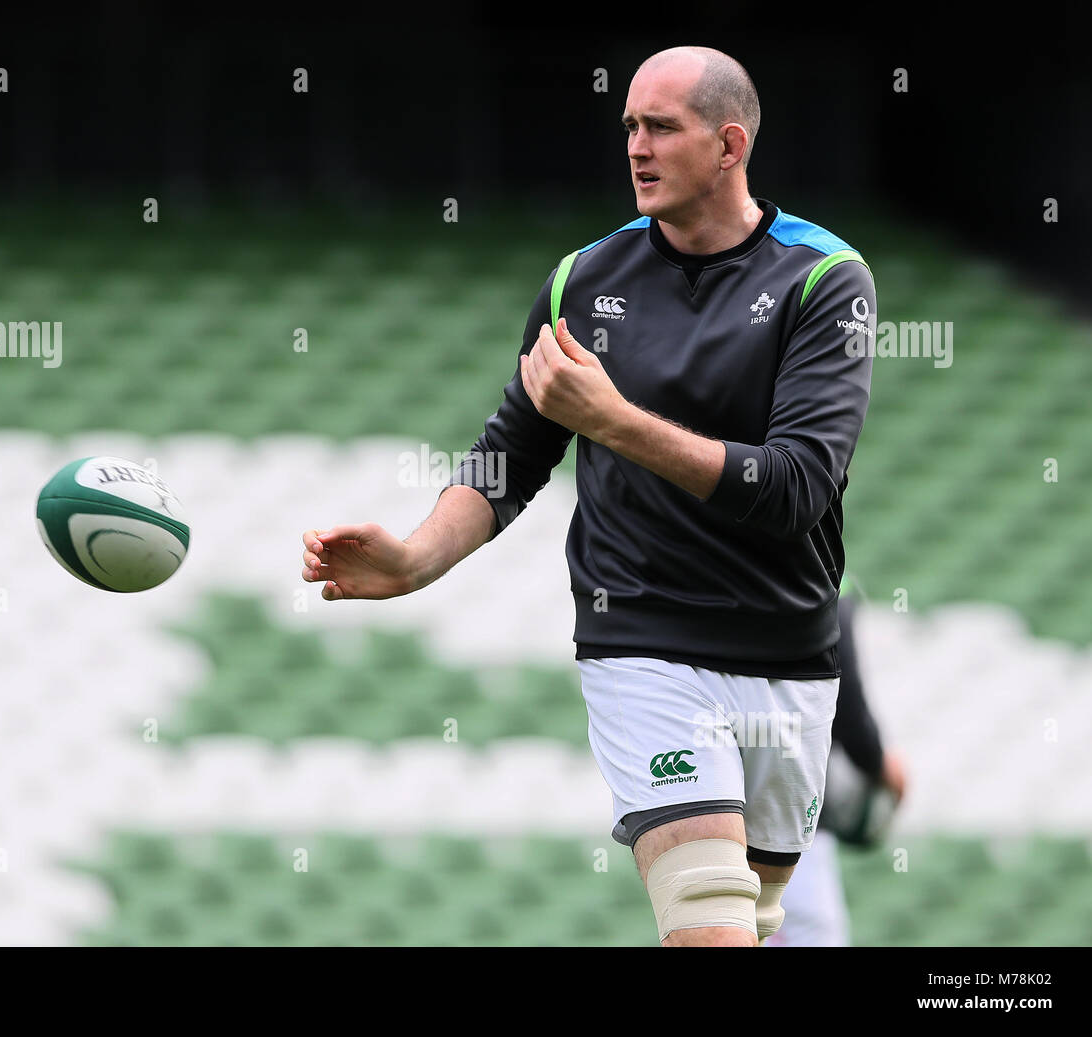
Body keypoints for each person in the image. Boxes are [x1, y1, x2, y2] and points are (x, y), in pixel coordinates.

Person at [301, 45, 875, 947]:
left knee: (759, 929)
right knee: (710, 926)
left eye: (660, 127)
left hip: (787, 655)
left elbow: (798, 487)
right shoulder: (584, 280)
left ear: (729, 146)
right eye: (629, 128)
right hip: (641, 639)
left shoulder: (823, 279)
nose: (636, 147)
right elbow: (513, 454)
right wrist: (414, 558)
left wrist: (613, 420)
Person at [766, 584, 908, 946]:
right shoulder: (821, 580)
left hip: (717, 799)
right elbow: (846, 704)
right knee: (810, 933)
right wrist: (878, 764)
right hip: (791, 803)